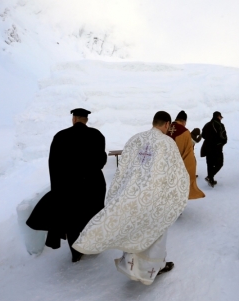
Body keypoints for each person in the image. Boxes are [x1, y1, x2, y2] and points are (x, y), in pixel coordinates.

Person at [72, 111, 189, 285]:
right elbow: (176, 173)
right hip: (154, 198)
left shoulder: (135, 139)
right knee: (154, 233)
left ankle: (131, 266)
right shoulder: (167, 143)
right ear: (166, 124)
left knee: (134, 230)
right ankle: (152, 270)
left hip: (133, 197)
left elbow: (123, 170)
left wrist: (123, 193)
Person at [26, 108, 107, 263]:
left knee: (73, 219)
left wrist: (56, 188)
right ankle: (94, 245)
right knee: (93, 215)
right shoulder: (97, 135)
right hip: (93, 185)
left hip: (69, 187)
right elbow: (101, 161)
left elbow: (53, 165)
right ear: (86, 120)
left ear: (74, 119)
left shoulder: (61, 136)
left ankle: (76, 252)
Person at [167, 110, 205, 199]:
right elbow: (188, 154)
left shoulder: (166, 127)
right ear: (184, 121)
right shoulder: (185, 132)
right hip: (177, 167)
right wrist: (191, 174)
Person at [200, 111, 227, 187]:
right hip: (217, 148)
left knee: (210, 164)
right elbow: (224, 137)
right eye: (221, 117)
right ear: (218, 116)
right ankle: (210, 177)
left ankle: (211, 180)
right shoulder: (220, 125)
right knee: (220, 163)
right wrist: (222, 143)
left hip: (207, 147)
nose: (221, 118)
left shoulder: (207, 124)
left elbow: (203, 135)